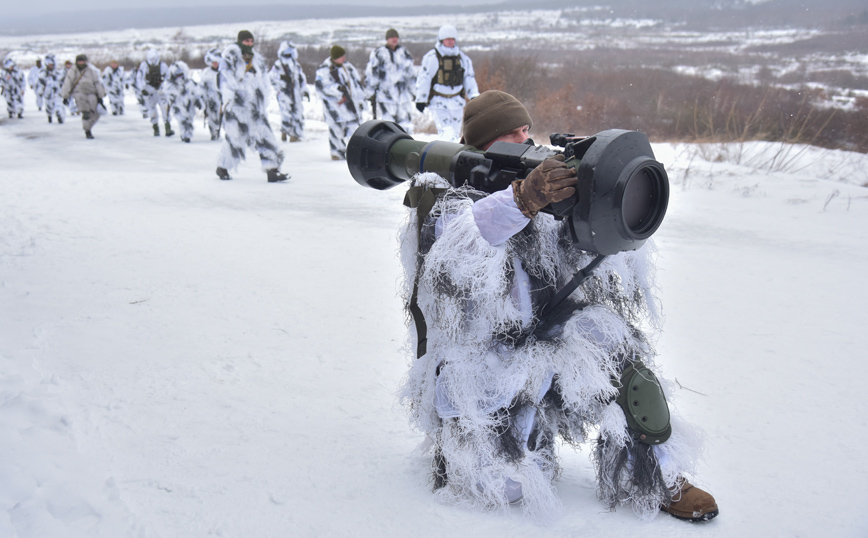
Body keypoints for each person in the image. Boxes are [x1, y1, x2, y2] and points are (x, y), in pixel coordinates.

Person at [397, 90, 719, 523]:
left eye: (526, 128)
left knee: (613, 347)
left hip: (546, 343)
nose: (523, 138)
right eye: (509, 133)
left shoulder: (544, 188)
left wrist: (599, 192)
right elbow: (458, 254)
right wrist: (521, 201)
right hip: (483, 367)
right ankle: (476, 448)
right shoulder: (448, 201)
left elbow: (593, 257)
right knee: (505, 487)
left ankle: (656, 475)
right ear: (480, 146)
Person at [215, 30, 288, 182]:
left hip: (255, 106)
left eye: (251, 41)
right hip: (237, 105)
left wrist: (264, 98)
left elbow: (263, 80)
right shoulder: (230, 56)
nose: (249, 44)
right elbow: (225, 79)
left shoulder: (257, 59)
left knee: (265, 136)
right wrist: (229, 100)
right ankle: (223, 167)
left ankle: (272, 170)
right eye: (246, 41)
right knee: (235, 138)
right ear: (240, 41)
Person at [414, 25, 479, 142]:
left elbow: (469, 78)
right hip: (438, 102)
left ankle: (453, 155)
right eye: (447, 39)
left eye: (452, 39)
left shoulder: (462, 58)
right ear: (441, 39)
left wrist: (474, 95)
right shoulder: (432, 58)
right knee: (446, 132)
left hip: (457, 103)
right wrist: (421, 99)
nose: (450, 42)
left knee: (455, 133)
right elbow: (424, 78)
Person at [314, 45, 366, 160]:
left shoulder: (348, 67)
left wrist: (361, 99)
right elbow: (321, 87)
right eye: (341, 56)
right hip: (335, 107)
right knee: (336, 131)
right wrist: (338, 90)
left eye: (344, 55)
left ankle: (355, 152)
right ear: (334, 57)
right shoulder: (324, 70)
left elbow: (356, 85)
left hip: (351, 105)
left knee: (354, 129)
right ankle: (337, 153)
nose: (343, 58)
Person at [365, 28, 416, 133]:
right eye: (392, 37)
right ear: (387, 39)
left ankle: (406, 147)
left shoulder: (404, 53)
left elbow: (411, 75)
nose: (394, 39)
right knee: (389, 126)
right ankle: (391, 148)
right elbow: (372, 75)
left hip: (403, 96)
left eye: (396, 37)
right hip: (386, 96)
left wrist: (415, 92)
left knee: (405, 125)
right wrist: (370, 92)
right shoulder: (379, 53)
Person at [268, 40, 308, 143]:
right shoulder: (278, 65)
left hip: (296, 93)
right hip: (284, 93)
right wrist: (282, 81)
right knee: (286, 114)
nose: (288, 56)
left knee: (297, 113)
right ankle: (285, 132)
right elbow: (271, 77)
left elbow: (302, 79)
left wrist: (305, 90)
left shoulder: (296, 66)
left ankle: (294, 135)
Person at [61, 54, 106, 139]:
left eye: (82, 61)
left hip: (91, 92)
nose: (81, 63)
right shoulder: (72, 71)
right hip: (79, 92)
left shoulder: (91, 71)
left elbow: (97, 83)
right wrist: (65, 96)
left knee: (95, 113)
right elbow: (68, 83)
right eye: (79, 61)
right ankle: (87, 131)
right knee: (86, 112)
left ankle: (88, 127)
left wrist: (100, 96)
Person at [137, 49, 174, 137]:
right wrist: (142, 89)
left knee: (165, 108)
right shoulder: (144, 65)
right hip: (149, 89)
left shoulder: (163, 65)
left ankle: (167, 128)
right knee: (152, 110)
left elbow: (168, 78)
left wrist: (165, 87)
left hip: (161, 89)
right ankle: (155, 128)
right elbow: (139, 78)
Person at [165, 61, 202, 143]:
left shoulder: (190, 83)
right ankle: (184, 134)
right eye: (177, 75)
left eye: (181, 75)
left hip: (189, 106)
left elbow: (196, 92)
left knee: (189, 120)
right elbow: (168, 92)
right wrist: (171, 97)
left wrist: (198, 101)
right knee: (181, 120)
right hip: (178, 106)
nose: (179, 78)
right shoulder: (171, 84)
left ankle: (188, 133)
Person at [199, 48, 223, 141]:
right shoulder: (206, 73)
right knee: (212, 117)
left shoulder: (224, 72)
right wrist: (203, 98)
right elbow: (201, 87)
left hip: (223, 99)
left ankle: (221, 131)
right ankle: (214, 133)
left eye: (217, 62)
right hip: (211, 99)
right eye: (213, 62)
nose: (215, 64)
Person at [35, 54, 65, 124]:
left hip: (57, 94)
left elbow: (62, 82)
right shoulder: (43, 73)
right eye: (49, 64)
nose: (51, 66)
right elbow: (39, 84)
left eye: (52, 64)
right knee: (49, 107)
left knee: (58, 107)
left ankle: (60, 117)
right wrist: (40, 92)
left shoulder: (58, 73)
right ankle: (50, 116)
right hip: (48, 94)